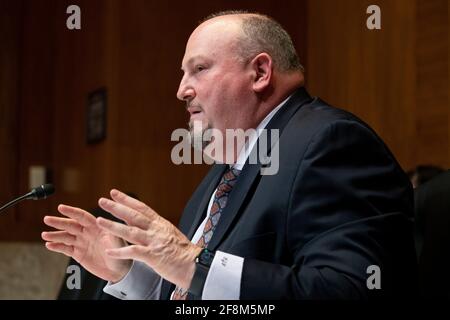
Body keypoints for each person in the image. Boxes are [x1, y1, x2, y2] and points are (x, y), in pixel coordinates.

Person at [42, 11, 417, 299]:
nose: (181, 90)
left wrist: (189, 261)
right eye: (183, 73)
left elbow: (350, 289)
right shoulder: (224, 172)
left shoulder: (332, 142)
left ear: (260, 72)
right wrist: (131, 275)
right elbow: (200, 288)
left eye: (199, 69)